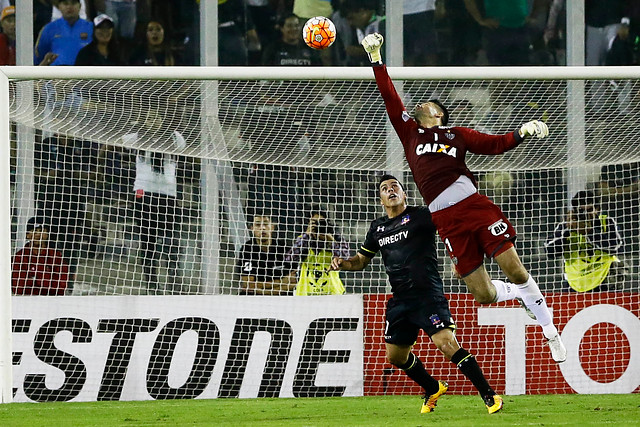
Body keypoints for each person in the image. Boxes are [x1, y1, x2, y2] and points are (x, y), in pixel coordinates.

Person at [361, 33, 567, 363]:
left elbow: (495, 145)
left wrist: (521, 132)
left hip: (473, 206)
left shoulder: (457, 135)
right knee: (483, 294)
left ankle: (550, 330)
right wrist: (376, 58)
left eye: (427, 104)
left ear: (439, 114)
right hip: (445, 219)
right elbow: (389, 97)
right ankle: (517, 295)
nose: (419, 105)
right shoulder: (410, 133)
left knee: (514, 269)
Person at [331, 175, 503, 414]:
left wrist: (459, 259)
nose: (390, 190)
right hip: (400, 301)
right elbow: (361, 261)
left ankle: (489, 395)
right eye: (384, 189)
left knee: (445, 344)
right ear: (381, 200)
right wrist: (344, 263)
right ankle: (432, 388)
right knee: (396, 357)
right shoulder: (377, 228)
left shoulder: (422, 215)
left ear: (404, 194)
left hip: (427, 295)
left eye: (395, 187)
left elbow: (452, 229)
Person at [124, 109, 185, 293]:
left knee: (171, 240)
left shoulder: (174, 137)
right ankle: (152, 284)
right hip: (145, 193)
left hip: (168, 194)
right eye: (149, 118)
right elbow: (123, 140)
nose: (153, 121)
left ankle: (173, 282)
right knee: (148, 241)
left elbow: (181, 147)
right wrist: (139, 126)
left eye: (156, 118)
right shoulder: (137, 137)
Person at [545, 190, 625, 292]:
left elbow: (616, 247)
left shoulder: (607, 222)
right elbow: (550, 251)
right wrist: (567, 231)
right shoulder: (566, 226)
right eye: (581, 210)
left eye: (590, 210)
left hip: (604, 280)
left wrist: (589, 232)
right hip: (575, 283)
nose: (586, 214)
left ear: (598, 209)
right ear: (574, 211)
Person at [283, 206, 350, 295]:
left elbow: (346, 259)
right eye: (314, 223)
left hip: (333, 294)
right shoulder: (302, 240)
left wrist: (331, 242)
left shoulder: (336, 239)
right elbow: (289, 260)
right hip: (306, 295)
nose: (318, 226)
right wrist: (306, 236)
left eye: (321, 223)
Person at [237, 213, 296, 295]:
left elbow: (293, 282)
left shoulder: (284, 248)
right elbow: (248, 284)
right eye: (258, 225)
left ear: (272, 227)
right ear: (252, 228)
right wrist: (282, 281)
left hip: (282, 298)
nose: (262, 228)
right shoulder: (247, 250)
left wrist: (264, 291)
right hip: (255, 298)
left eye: (266, 224)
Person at [12, 217, 69, 296]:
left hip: (52, 301)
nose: (38, 234)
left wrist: (35, 281)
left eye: (41, 231)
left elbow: (61, 286)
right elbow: (18, 287)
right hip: (26, 302)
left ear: (47, 234)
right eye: (34, 231)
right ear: (27, 235)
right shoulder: (19, 257)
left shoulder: (56, 256)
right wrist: (45, 282)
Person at [34, 0, 94, 66]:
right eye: (65, 4)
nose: (69, 7)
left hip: (85, 73)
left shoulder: (91, 28)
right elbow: (39, 57)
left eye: (73, 3)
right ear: (59, 7)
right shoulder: (49, 29)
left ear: (80, 6)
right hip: (57, 73)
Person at [598, 161, 640, 254]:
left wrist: (615, 191)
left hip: (634, 210)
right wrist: (631, 189)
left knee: (632, 239)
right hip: (612, 208)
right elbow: (602, 190)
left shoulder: (637, 167)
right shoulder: (610, 167)